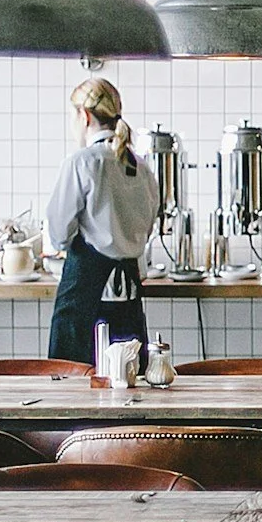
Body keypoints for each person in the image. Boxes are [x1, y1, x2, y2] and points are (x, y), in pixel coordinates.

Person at [45, 76, 161, 364]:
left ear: (83, 116)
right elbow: (147, 228)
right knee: (128, 380)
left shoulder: (82, 162)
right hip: (128, 295)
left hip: (84, 294)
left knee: (71, 380)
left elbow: (58, 232)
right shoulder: (142, 167)